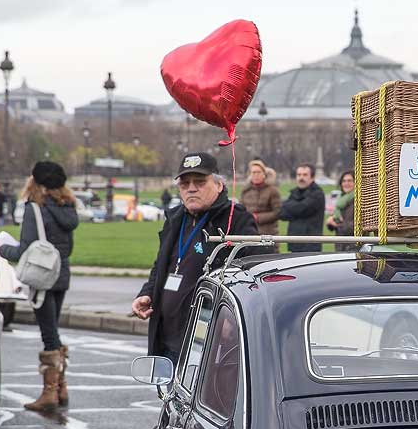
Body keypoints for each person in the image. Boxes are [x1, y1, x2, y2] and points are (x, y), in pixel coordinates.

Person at [132, 152, 260, 361]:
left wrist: (234, 316)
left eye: (200, 182)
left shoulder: (236, 219)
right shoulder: (175, 218)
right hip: (168, 339)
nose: (191, 188)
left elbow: (255, 271)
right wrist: (147, 293)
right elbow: (162, 265)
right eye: (185, 183)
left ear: (218, 185)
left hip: (209, 342)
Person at [0, 162, 79, 412]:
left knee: (48, 333)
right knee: (53, 329)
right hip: (61, 273)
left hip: (43, 277)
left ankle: (50, 392)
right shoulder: (68, 208)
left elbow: (24, 251)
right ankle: (61, 386)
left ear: (37, 183)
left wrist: (1, 247)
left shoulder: (34, 209)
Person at [279, 163, 326, 253]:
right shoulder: (294, 192)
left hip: (310, 245)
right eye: (299, 175)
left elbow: (302, 209)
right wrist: (295, 210)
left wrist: (288, 206)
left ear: (312, 177)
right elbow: (281, 214)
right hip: (294, 243)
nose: (301, 178)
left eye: (305, 175)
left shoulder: (317, 194)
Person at [240, 159, 281, 236]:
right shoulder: (245, 191)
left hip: (268, 234)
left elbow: (278, 212)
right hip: (248, 232)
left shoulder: (272, 191)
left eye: (258, 172)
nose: (256, 175)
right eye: (253, 172)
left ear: (264, 174)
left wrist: (257, 217)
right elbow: (241, 210)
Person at [326, 170, 356, 251]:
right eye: (344, 181)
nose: (346, 183)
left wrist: (337, 225)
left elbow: (359, 226)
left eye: (350, 181)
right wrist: (330, 222)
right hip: (341, 246)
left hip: (355, 247)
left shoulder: (359, 201)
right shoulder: (341, 200)